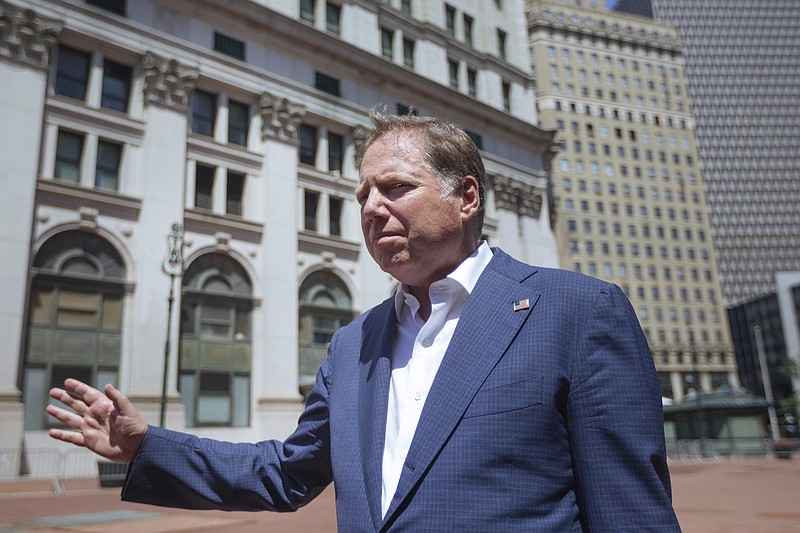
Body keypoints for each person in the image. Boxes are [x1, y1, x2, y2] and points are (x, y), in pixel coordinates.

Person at [48, 110, 681, 531]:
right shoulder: (353, 344)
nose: (371, 209)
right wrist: (146, 447)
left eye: (396, 188)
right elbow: (286, 473)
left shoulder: (576, 311)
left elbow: (632, 516)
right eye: (362, 196)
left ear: (466, 197)